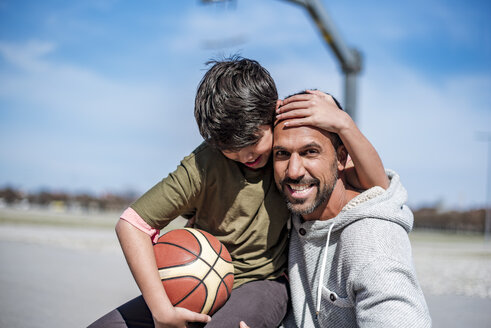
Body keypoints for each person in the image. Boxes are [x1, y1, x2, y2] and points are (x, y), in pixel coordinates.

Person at [88, 58, 386, 328]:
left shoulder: (287, 156)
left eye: (253, 140)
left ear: (274, 113)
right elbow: (132, 225)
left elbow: (377, 189)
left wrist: (344, 123)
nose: (245, 155)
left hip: (263, 282)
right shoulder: (203, 165)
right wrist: (162, 311)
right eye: (229, 147)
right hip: (194, 278)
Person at [241, 91, 431, 327]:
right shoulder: (287, 211)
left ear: (342, 158)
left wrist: (343, 123)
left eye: (310, 152)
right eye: (282, 154)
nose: (293, 171)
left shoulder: (372, 241)